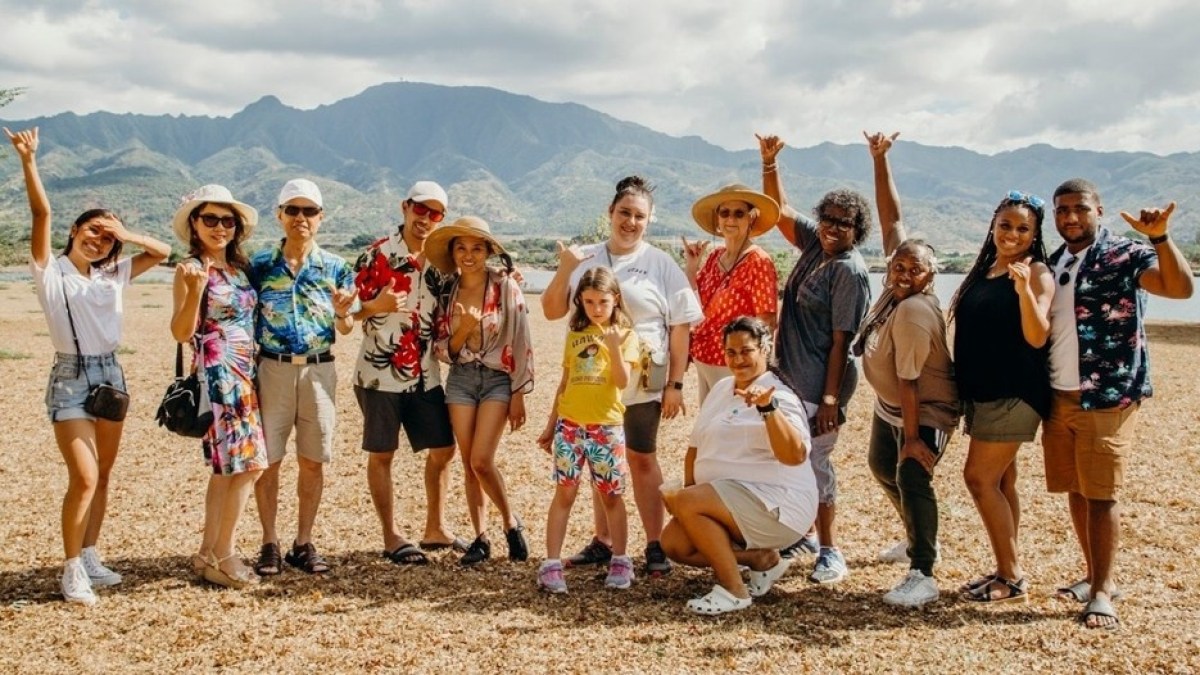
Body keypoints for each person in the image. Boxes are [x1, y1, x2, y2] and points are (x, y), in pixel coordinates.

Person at [7, 127, 170, 605]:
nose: (100, 240)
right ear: (76, 231)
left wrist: (125, 234)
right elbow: (41, 212)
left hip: (111, 375)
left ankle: (92, 553)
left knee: (106, 473)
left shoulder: (113, 274)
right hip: (70, 376)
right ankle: (72, 567)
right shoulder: (49, 272)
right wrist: (29, 161)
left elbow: (161, 253)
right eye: (94, 229)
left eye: (108, 235)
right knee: (84, 476)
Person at [1042, 179, 1193, 630]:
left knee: (1101, 493)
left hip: (1107, 395)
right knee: (1074, 487)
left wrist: (1160, 237)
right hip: (1059, 394)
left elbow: (1180, 289)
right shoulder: (1054, 262)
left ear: (1099, 211)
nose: (1071, 216)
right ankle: (1091, 576)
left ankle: (1104, 591)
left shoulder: (1125, 255)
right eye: (1062, 209)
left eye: (1080, 208)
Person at [542, 176, 703, 577]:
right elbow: (550, 310)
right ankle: (605, 541)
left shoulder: (660, 263)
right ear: (610, 214)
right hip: (591, 382)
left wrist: (676, 385)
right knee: (601, 461)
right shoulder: (586, 259)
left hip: (644, 380)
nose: (630, 222)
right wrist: (565, 270)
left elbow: (681, 326)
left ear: (649, 220)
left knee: (642, 458)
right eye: (624, 213)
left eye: (639, 216)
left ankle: (654, 544)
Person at [758, 133, 871, 582]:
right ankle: (798, 532)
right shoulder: (813, 246)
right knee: (788, 457)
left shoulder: (849, 271)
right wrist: (769, 164)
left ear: (856, 229)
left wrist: (830, 403)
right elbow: (780, 213)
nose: (833, 228)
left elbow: (843, 344)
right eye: (828, 218)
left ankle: (830, 550)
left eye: (844, 223)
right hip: (788, 377)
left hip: (819, 386)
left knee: (817, 464)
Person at [661, 316, 816, 615]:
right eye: (731, 352)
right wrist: (686, 501)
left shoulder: (778, 396)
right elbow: (695, 447)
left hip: (778, 503)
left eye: (746, 351)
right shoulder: (722, 388)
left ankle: (733, 590)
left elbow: (795, 456)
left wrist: (767, 409)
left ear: (765, 349)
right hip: (728, 500)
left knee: (689, 504)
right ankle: (760, 559)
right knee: (674, 544)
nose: (738, 359)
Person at [247, 179, 357, 577]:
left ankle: (303, 542)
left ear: (321, 217)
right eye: (292, 210)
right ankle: (269, 542)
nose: (301, 218)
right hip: (271, 368)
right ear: (279, 215)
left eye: (309, 211)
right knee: (269, 461)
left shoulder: (336, 268)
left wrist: (344, 312)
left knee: (313, 460)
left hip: (318, 368)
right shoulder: (258, 265)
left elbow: (344, 328)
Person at [949, 189, 1053, 603]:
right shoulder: (986, 268)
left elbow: (1037, 335)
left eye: (1022, 228)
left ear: (1034, 234)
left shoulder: (1038, 271)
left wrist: (1025, 290)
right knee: (1004, 479)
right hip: (984, 394)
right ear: (993, 224)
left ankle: (1010, 576)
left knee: (978, 478)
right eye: (1005, 225)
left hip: (1014, 394)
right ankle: (1007, 565)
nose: (1012, 234)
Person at [352, 181, 462, 566]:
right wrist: (374, 305)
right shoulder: (374, 256)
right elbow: (346, 315)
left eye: (435, 214)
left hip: (426, 374)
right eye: (421, 209)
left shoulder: (443, 264)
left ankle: (436, 527)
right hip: (379, 374)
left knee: (445, 449)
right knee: (383, 454)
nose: (426, 219)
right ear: (405, 207)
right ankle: (391, 534)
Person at [169, 184, 268, 589]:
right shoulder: (190, 269)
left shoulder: (239, 270)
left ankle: (208, 552)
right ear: (194, 223)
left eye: (227, 221)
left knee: (227, 470)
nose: (219, 227)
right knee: (251, 464)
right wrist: (194, 291)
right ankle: (226, 554)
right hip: (218, 376)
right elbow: (180, 331)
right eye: (210, 219)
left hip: (244, 374)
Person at [856, 238, 959, 608]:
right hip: (892, 407)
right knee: (882, 466)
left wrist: (913, 439)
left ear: (930, 276)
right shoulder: (892, 296)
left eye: (915, 270)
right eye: (898, 267)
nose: (904, 276)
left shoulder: (913, 310)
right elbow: (892, 223)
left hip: (926, 409)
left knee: (912, 475)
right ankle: (918, 536)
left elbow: (910, 380)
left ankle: (923, 572)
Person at [428, 216, 534, 565]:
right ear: (452, 251)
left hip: (497, 379)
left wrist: (518, 392)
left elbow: (521, 340)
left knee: (481, 460)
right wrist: (465, 328)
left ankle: (509, 521)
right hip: (460, 378)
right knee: (469, 464)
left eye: (476, 248)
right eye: (461, 248)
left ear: (489, 250)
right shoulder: (447, 290)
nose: (468, 255)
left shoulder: (506, 287)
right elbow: (442, 349)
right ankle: (481, 536)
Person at [535, 267, 640, 593]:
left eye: (603, 302)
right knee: (564, 492)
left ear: (615, 300)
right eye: (590, 301)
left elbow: (623, 383)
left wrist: (612, 347)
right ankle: (551, 565)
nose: (596, 308)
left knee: (611, 495)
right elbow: (565, 383)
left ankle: (621, 560)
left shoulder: (625, 335)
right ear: (580, 300)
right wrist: (552, 425)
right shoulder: (575, 336)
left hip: (606, 428)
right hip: (570, 426)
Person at [682, 183, 780, 404]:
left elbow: (766, 321)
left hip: (732, 363)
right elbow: (692, 302)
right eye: (724, 213)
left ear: (750, 219)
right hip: (704, 356)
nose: (731, 219)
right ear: (718, 219)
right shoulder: (715, 256)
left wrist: (752, 367)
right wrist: (691, 266)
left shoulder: (759, 262)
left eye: (739, 214)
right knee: (709, 422)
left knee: (730, 425)